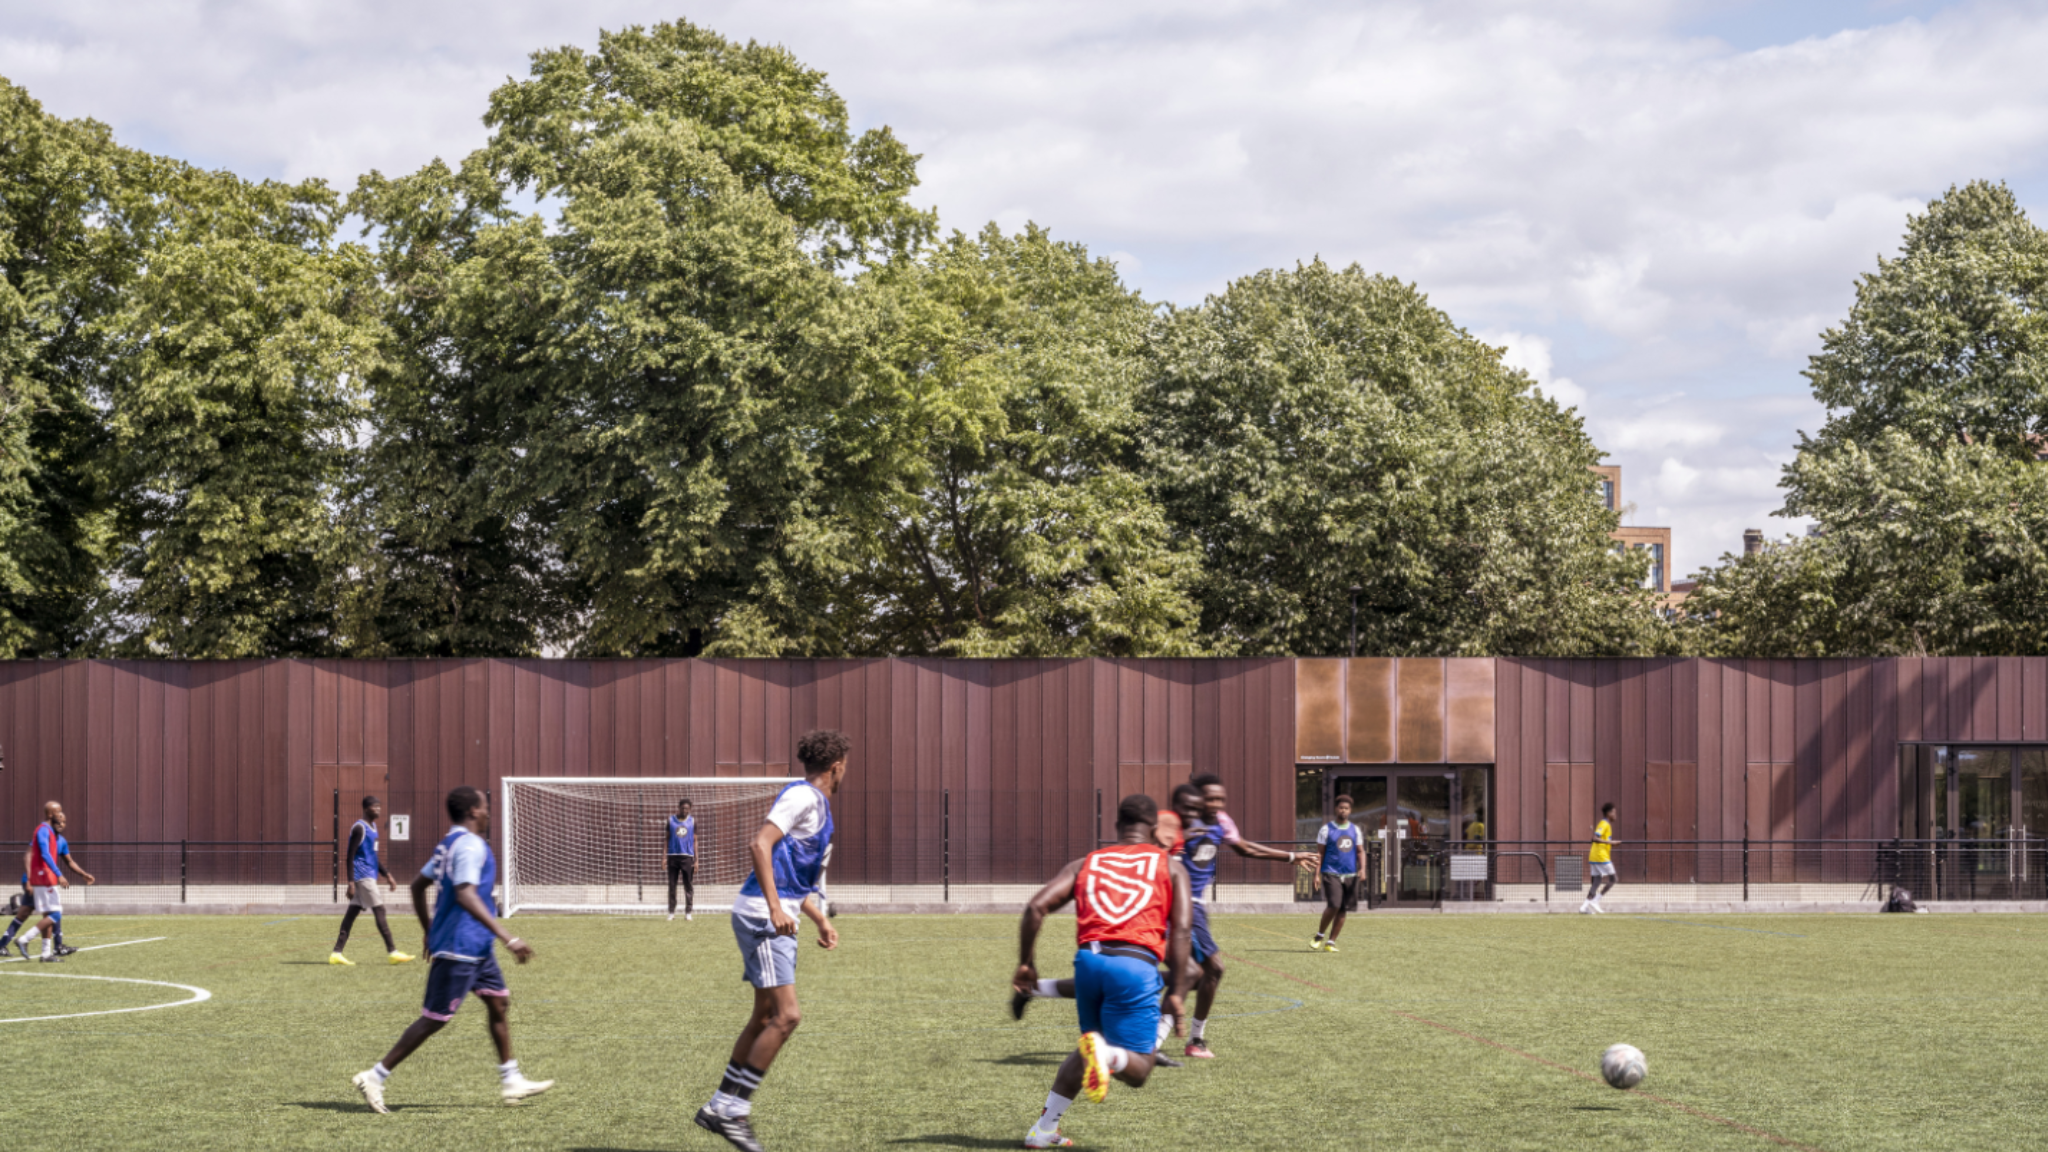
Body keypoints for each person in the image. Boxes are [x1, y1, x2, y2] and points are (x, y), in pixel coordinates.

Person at [351, 786, 552, 1113]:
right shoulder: (471, 845)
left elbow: (418, 886)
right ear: (473, 811)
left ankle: (511, 1078)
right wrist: (508, 937)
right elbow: (465, 894)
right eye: (485, 807)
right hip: (461, 945)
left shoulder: (449, 844)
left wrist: (429, 931)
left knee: (498, 1002)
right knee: (434, 1019)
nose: (488, 813)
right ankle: (375, 1076)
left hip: (475, 947)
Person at [694, 729, 849, 1152]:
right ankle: (734, 1113)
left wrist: (816, 918)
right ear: (836, 767)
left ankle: (717, 1106)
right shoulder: (803, 797)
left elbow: (793, 879)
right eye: (845, 766)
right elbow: (759, 843)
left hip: (775, 915)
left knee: (765, 1016)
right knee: (788, 1016)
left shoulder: (817, 805)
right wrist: (778, 908)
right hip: (765, 919)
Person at [1012, 794, 1193, 1149]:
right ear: (1154, 829)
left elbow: (1036, 908)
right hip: (1133, 965)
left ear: (1116, 827)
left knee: (1085, 1050)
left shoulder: (1087, 862)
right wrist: (1177, 991)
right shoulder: (1170, 865)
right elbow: (1183, 931)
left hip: (1088, 964)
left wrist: (1026, 963)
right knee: (1139, 1069)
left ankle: (1043, 1130)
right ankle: (1109, 1055)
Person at [330, 796, 413, 966]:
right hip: (363, 877)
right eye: (375, 807)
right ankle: (392, 952)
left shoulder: (373, 828)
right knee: (380, 910)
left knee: (351, 914)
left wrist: (387, 874)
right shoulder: (359, 828)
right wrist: (351, 882)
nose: (379, 809)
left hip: (369, 874)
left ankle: (336, 953)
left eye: (379, 806)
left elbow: (372, 855)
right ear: (366, 808)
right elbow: (349, 855)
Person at [15, 802, 94, 962]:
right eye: (58, 813)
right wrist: (59, 874)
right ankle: (24, 939)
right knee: (56, 914)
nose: (61, 816)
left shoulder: (53, 834)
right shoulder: (43, 830)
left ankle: (45, 954)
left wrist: (83, 874)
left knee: (49, 915)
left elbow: (67, 860)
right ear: (50, 814)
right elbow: (44, 854)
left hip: (45, 878)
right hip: (43, 878)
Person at [1311, 795, 1364, 952]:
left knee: (1342, 908)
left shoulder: (1355, 830)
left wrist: (1362, 869)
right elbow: (1319, 853)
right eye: (1341, 808)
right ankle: (1319, 935)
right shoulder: (1326, 829)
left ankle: (1331, 942)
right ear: (1336, 809)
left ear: (1350, 811)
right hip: (1331, 873)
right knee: (1334, 904)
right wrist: (1316, 874)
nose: (1343, 811)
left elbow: (1361, 851)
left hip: (1350, 875)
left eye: (1346, 808)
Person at [1581, 802, 1618, 914]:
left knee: (1596, 881)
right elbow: (1595, 838)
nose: (1615, 815)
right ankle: (1596, 900)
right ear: (1608, 813)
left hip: (1594, 856)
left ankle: (1584, 907)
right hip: (1601, 856)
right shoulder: (1604, 823)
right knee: (1613, 879)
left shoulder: (1605, 824)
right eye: (1614, 812)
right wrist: (1611, 842)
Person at [668, 799, 697, 922]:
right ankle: (671, 912)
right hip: (673, 856)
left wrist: (696, 860)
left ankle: (688, 912)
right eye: (682, 808)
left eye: (687, 808)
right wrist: (664, 857)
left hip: (687, 857)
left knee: (688, 885)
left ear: (690, 809)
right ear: (679, 807)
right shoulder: (671, 821)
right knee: (672, 885)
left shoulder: (692, 821)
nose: (684, 810)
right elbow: (666, 839)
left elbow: (695, 841)